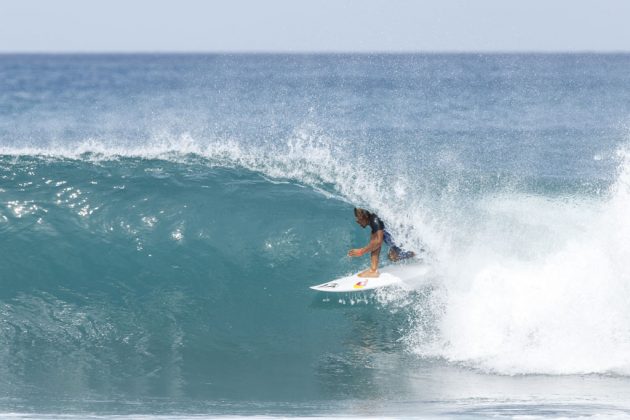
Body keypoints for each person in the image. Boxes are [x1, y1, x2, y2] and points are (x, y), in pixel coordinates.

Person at [347, 207, 415, 278]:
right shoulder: (373, 224)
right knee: (392, 257)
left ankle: (417, 252)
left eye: (358, 218)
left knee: (393, 256)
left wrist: (361, 251)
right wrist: (373, 270)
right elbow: (374, 246)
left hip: (405, 238)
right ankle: (415, 253)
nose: (357, 221)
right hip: (399, 240)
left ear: (365, 216)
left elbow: (378, 242)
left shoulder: (375, 220)